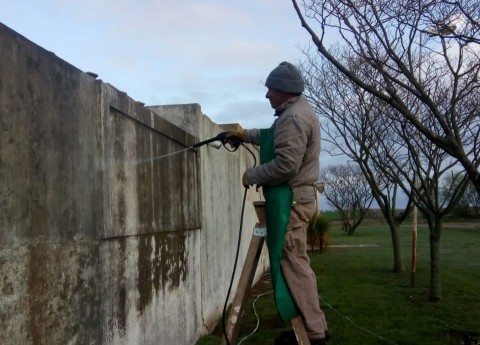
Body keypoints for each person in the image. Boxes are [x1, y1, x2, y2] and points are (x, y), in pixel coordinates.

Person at [226, 61, 328, 345]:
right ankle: (312, 326)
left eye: (270, 89)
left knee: (294, 264)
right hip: (296, 199)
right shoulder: (293, 113)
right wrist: (244, 135)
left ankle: (315, 332)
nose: (267, 94)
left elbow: (285, 165)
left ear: (284, 90)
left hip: (292, 202)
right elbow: (273, 136)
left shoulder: (294, 118)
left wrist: (252, 175)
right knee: (294, 262)